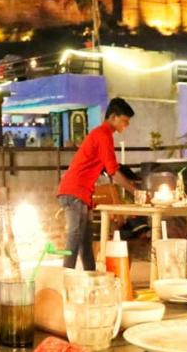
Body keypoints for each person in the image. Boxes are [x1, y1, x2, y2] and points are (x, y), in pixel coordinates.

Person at [56, 97, 138, 269]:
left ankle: (90, 277)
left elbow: (108, 169)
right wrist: (135, 191)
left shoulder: (100, 134)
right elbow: (113, 171)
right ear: (113, 117)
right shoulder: (103, 135)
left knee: (85, 241)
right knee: (75, 238)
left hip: (80, 193)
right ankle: (63, 280)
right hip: (75, 192)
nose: (126, 125)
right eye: (124, 121)